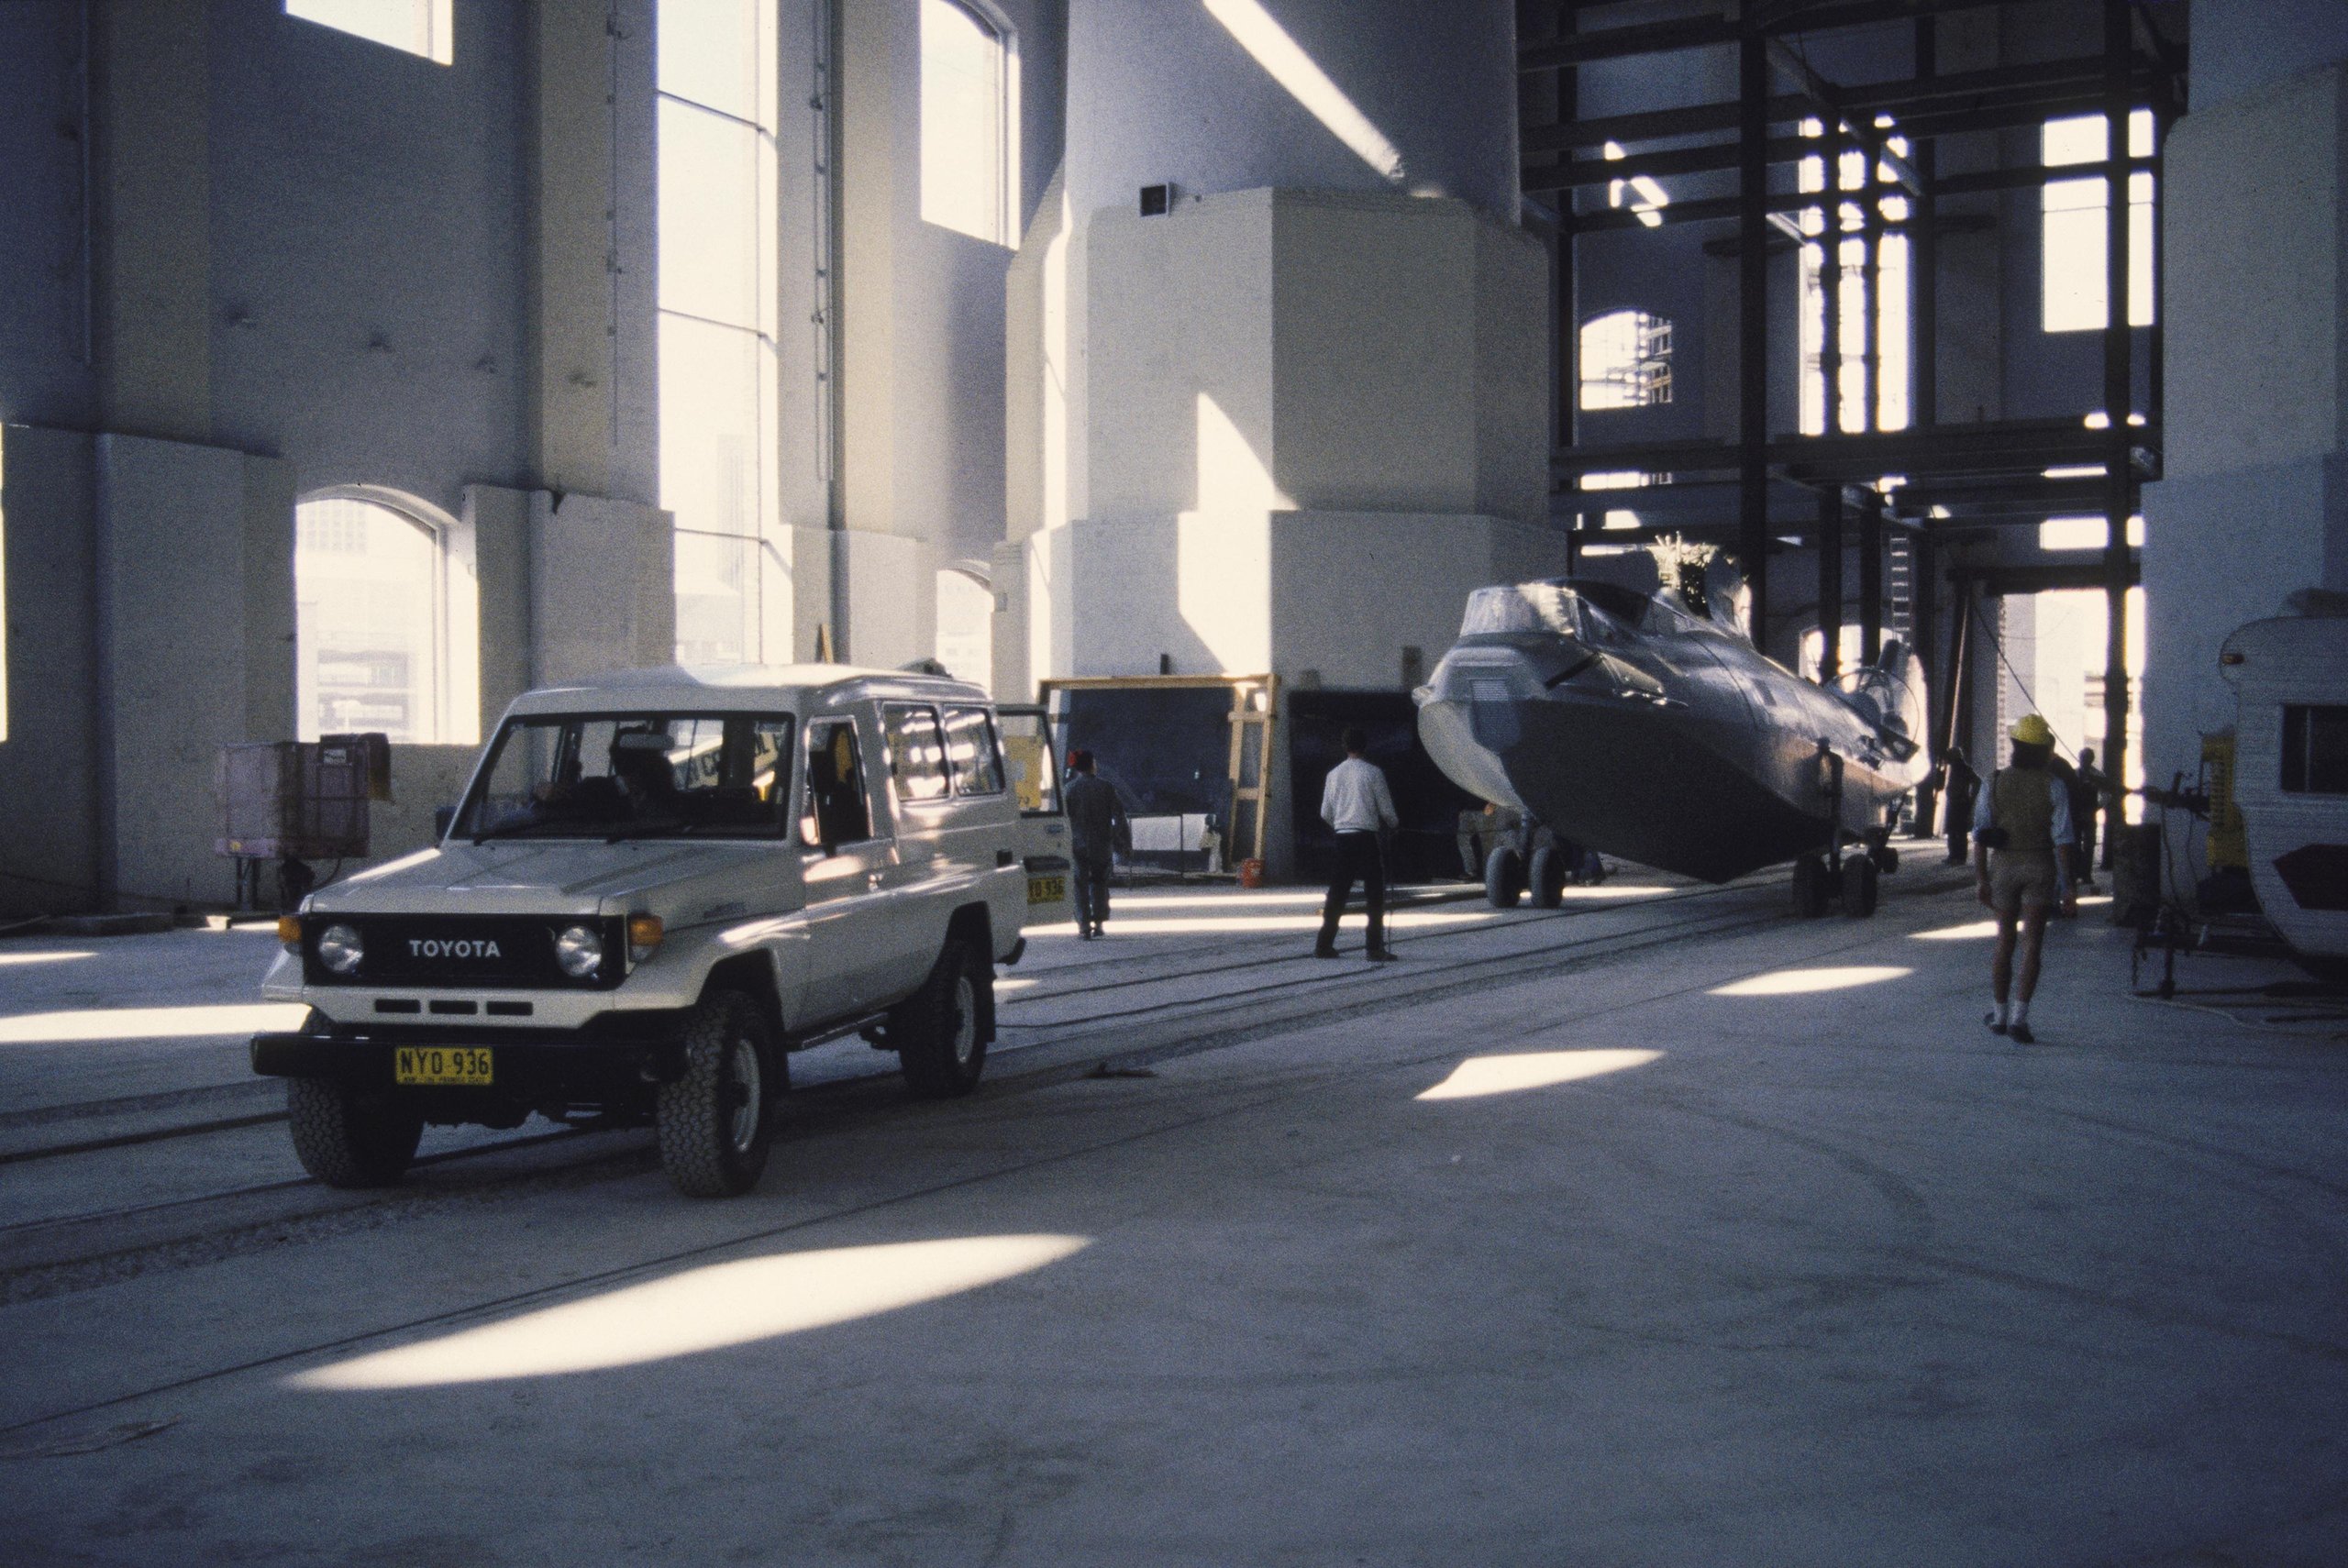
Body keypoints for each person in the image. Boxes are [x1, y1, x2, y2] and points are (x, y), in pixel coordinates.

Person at [1974, 714, 2078, 1044]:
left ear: (2016, 747)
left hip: (2003, 868)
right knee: (2033, 942)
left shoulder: (1993, 781)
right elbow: (2063, 840)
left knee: (2005, 940)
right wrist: (2070, 887)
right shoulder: (2054, 785)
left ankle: (1999, 1016)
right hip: (2040, 866)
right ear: (2045, 750)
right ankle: (2020, 1017)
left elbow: (1980, 834)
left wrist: (1981, 879)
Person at [1315, 727, 1399, 962]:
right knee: (1374, 894)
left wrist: (1340, 825)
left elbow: (1325, 812)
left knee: (1338, 893)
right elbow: (1386, 811)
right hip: (1366, 838)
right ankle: (1374, 948)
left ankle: (1324, 945)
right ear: (1365, 746)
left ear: (1344, 746)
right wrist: (1394, 824)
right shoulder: (1373, 773)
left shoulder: (1333, 774)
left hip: (1343, 837)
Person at [1062, 748, 1127, 940]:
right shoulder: (1107, 788)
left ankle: (1083, 925)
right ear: (1092, 765)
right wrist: (1120, 839)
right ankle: (1098, 923)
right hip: (1102, 844)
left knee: (1079, 883)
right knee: (1099, 882)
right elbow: (1119, 816)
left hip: (1078, 843)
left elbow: (1064, 818)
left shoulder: (1069, 789)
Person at [2071, 745, 2106, 889]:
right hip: (2077, 814)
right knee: (2075, 844)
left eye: (2086, 758)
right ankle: (2077, 873)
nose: (2084, 761)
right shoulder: (2073, 774)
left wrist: (2098, 806)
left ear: (2091, 759)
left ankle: (2086, 874)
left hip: (2090, 814)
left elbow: (2106, 794)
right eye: (2082, 758)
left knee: (2089, 845)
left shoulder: (2098, 776)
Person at [1942, 745, 1979, 866]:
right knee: (1955, 830)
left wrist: (1971, 796)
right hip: (1957, 801)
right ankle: (1955, 856)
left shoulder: (1961, 768)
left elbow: (1977, 782)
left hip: (1959, 802)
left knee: (1957, 831)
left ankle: (1958, 856)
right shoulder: (1957, 768)